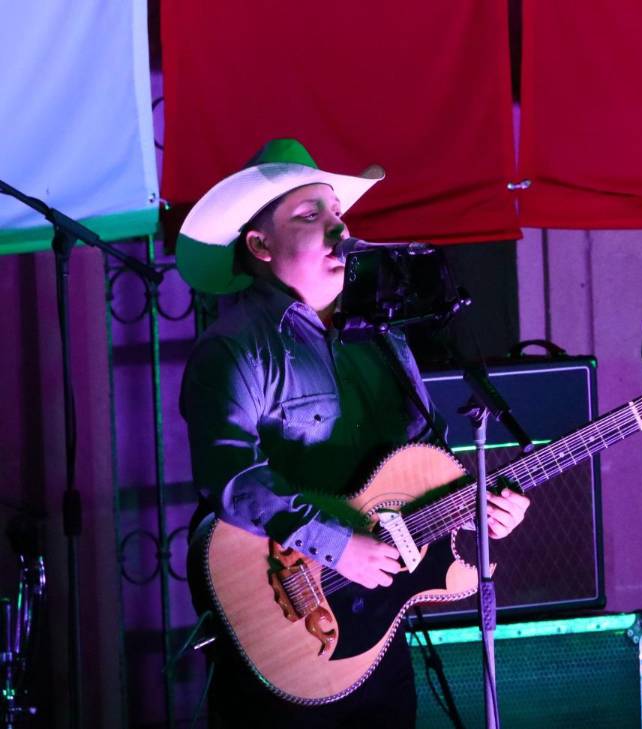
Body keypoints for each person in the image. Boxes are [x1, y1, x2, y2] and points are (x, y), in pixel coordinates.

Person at [177, 139, 530, 728]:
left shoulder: (383, 338)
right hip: (282, 629)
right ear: (260, 245)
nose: (338, 229)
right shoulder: (235, 346)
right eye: (310, 215)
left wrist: (483, 510)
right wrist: (337, 545)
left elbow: (426, 459)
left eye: (338, 214)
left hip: (377, 633)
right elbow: (230, 482)